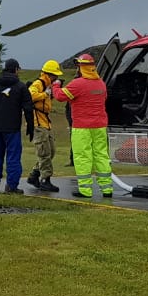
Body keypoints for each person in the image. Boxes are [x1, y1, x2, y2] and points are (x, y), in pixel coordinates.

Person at [54, 53, 113, 199]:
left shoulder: (78, 84)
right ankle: (107, 188)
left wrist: (55, 85)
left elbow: (60, 96)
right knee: (101, 155)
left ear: (81, 67)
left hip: (82, 127)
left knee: (82, 157)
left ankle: (85, 190)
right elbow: (104, 98)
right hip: (100, 126)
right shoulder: (101, 83)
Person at [0, 58, 34, 194]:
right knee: (13, 158)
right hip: (12, 129)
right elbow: (28, 108)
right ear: (16, 69)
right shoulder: (21, 87)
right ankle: (11, 186)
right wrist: (30, 126)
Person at [26, 60, 64, 192]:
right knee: (44, 153)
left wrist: (50, 94)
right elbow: (29, 95)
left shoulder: (47, 85)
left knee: (51, 151)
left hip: (45, 123)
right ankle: (45, 180)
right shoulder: (39, 83)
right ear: (49, 74)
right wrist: (45, 94)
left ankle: (34, 175)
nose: (56, 78)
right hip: (38, 123)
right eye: (55, 75)